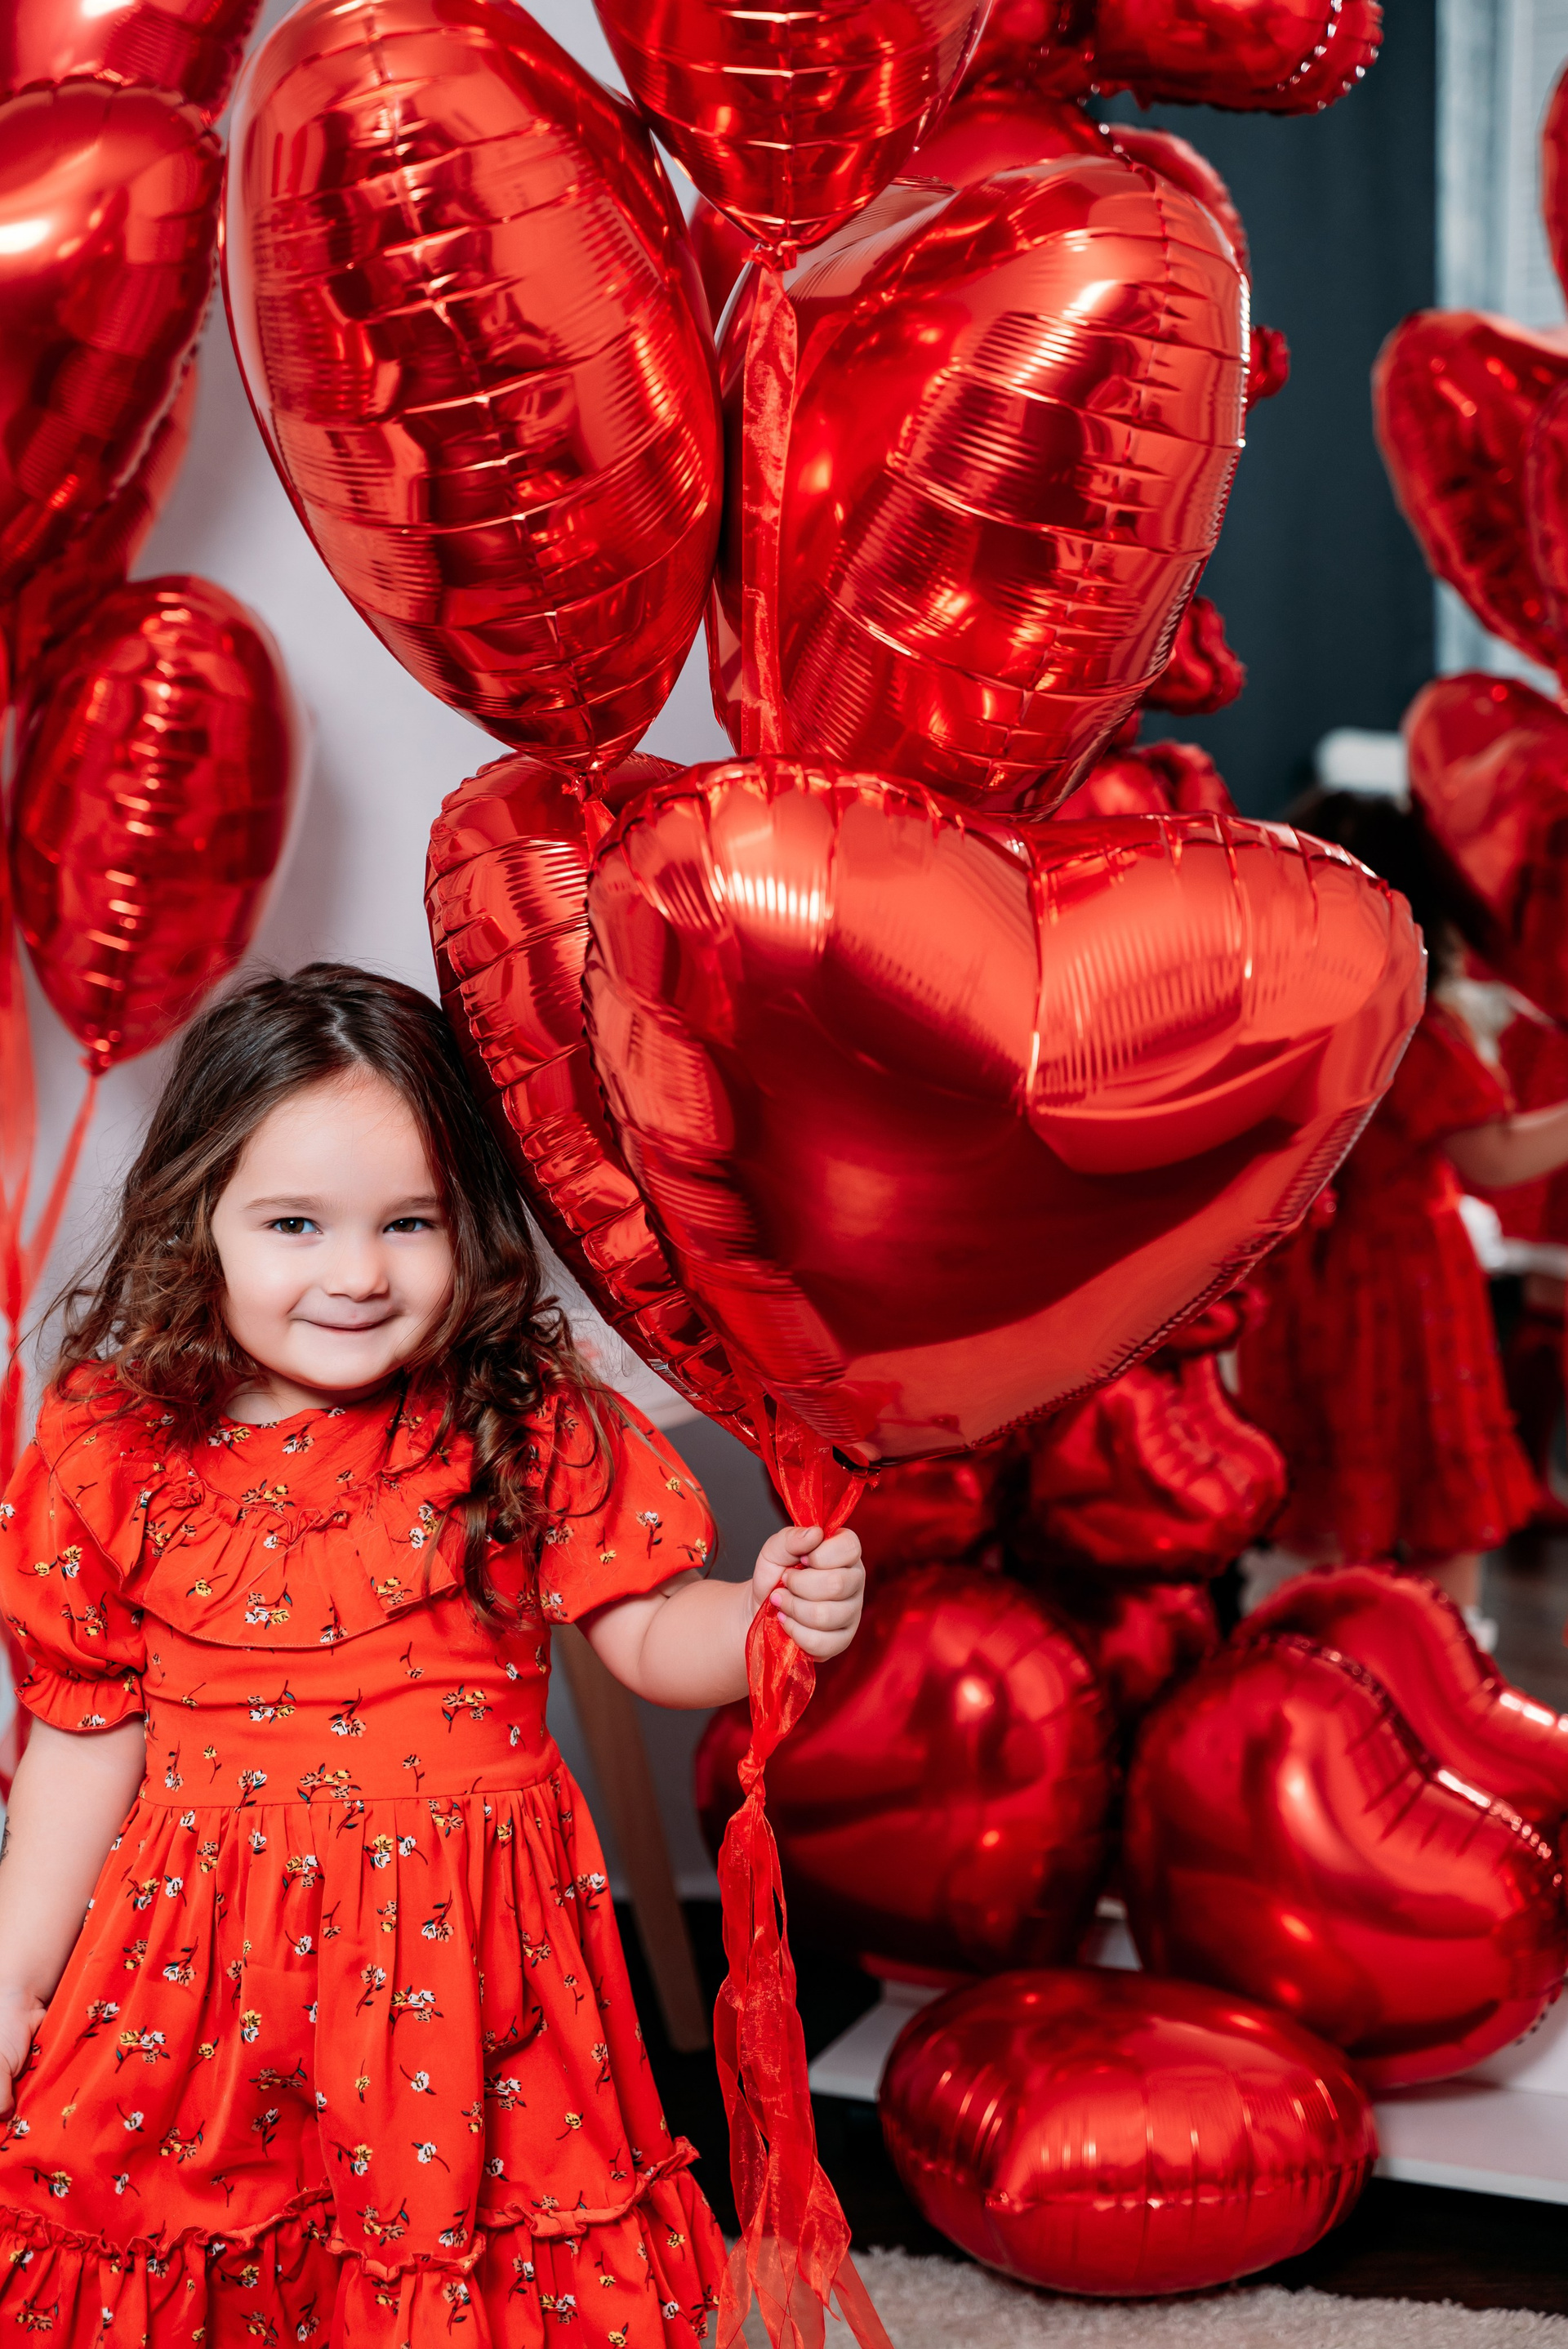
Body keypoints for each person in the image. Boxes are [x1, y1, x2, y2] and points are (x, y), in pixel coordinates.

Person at [0, 965, 865, 2345]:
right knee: (178, 2238)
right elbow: (82, 1736)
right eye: (296, 1223)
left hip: (466, 1970)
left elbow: (649, 1633)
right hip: (204, 1964)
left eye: (410, 1222)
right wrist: (14, 1975)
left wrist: (766, 1616)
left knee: (455, 2266)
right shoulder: (121, 1443)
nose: (359, 1273)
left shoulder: (518, 1416)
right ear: (197, 1217)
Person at [1236, 791, 1568, 1635]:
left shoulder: (1285, 1012)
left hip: (1304, 1276)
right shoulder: (1408, 1026)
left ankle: (1304, 1661)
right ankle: (1443, 1669)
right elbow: (1492, 1158)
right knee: (1437, 1503)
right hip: (1405, 1283)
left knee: (1321, 1491)